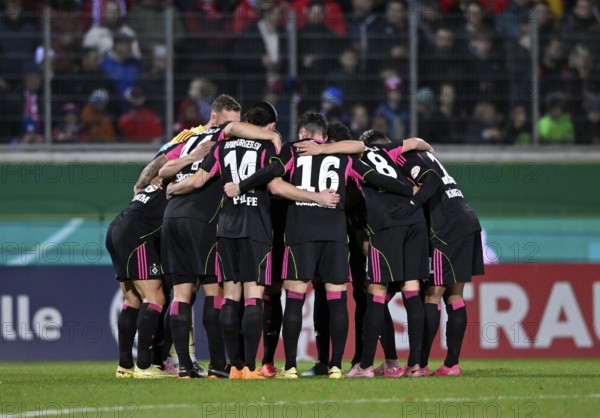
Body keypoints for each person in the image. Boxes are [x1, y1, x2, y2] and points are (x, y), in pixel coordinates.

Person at [225, 112, 428, 379]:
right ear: (325, 135)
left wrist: (241, 186)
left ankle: (290, 367)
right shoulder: (343, 155)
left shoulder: (293, 150)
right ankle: (334, 366)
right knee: (337, 300)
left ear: (303, 134)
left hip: (300, 234)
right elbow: (371, 175)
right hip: (335, 234)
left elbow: (273, 179)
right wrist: (407, 190)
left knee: (295, 300)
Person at [167, 103, 339, 379]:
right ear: (269, 127)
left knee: (231, 295)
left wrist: (173, 187)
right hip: (256, 226)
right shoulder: (267, 147)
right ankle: (248, 366)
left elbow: (198, 179)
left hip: (226, 227)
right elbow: (273, 182)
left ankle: (232, 367)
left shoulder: (221, 147)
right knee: (254, 296)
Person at [157, 94, 245, 378]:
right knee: (213, 290)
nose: (234, 130)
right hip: (201, 220)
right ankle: (219, 365)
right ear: (216, 118)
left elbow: (163, 169)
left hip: (172, 217)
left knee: (181, 293)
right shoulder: (225, 142)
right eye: (231, 124)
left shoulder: (188, 141)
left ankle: (184, 366)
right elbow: (199, 179)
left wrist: (173, 185)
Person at [343, 130, 429, 378]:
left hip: (387, 225)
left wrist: (320, 149)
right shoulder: (389, 151)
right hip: (415, 221)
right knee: (411, 288)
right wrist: (430, 149)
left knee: (377, 291)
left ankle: (365, 365)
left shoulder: (353, 161)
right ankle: (415, 365)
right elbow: (416, 141)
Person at [391, 146, 485, 376]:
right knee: (454, 296)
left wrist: (412, 204)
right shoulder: (427, 156)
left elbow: (430, 180)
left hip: (446, 228)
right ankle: (451, 364)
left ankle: (420, 364)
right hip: (466, 218)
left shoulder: (403, 158)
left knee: (432, 295)